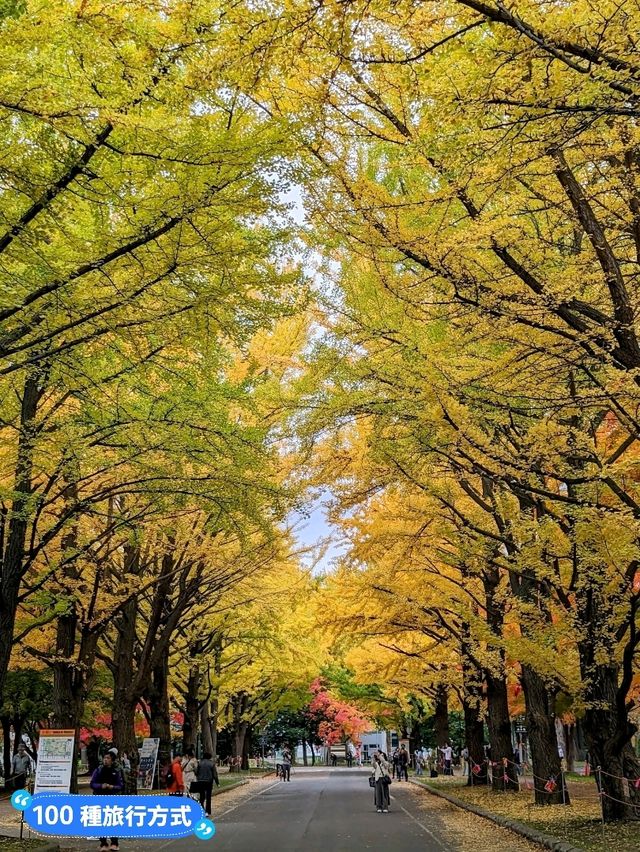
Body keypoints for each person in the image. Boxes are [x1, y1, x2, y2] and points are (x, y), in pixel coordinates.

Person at [90, 752, 124, 851]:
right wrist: (100, 786)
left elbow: (120, 785)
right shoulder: (98, 770)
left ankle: (114, 843)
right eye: (105, 758)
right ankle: (103, 843)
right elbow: (92, 784)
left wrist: (112, 787)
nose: (106, 760)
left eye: (108, 758)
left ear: (112, 760)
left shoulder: (115, 771)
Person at [196, 751, 219, 817]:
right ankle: (207, 811)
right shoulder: (212, 764)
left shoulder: (200, 763)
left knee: (201, 797)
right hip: (209, 781)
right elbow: (215, 774)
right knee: (208, 797)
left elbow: (197, 772)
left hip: (200, 781)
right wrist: (217, 782)